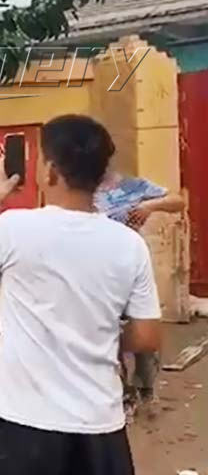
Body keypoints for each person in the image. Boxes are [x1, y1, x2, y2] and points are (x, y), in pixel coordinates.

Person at [0, 114, 161, 475]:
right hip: (101, 428)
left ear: (50, 171)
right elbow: (147, 337)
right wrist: (100, 334)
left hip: (25, 428)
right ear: (101, 175)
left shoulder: (14, 228)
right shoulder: (129, 245)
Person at [94, 170, 184, 415]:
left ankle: (145, 387)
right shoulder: (80, 190)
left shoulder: (132, 186)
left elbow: (177, 201)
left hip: (132, 269)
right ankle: (123, 393)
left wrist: (148, 206)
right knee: (108, 331)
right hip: (97, 272)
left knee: (143, 331)